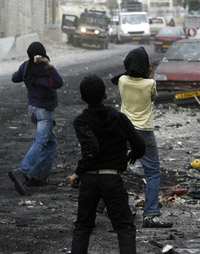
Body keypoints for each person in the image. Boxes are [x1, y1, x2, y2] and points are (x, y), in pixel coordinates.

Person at [70, 74, 146, 254]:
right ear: (105, 95)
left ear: (82, 97)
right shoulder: (119, 118)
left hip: (89, 179)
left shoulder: (81, 121)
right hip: (112, 178)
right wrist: (128, 156)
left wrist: (77, 173)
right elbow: (140, 146)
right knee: (124, 227)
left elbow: (91, 150)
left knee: (83, 227)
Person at [111, 47, 173, 228]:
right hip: (143, 131)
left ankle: (102, 206)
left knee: (115, 167)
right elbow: (152, 99)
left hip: (124, 129)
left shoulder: (122, 81)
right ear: (146, 66)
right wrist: (148, 73)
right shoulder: (150, 84)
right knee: (152, 171)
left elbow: (118, 77)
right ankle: (151, 213)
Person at [8, 41, 63, 195]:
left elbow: (15, 78)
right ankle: (23, 171)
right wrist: (50, 65)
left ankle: (37, 176)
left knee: (50, 142)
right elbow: (58, 83)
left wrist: (25, 72)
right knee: (40, 142)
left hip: (32, 110)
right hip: (44, 112)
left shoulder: (26, 66)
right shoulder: (46, 69)